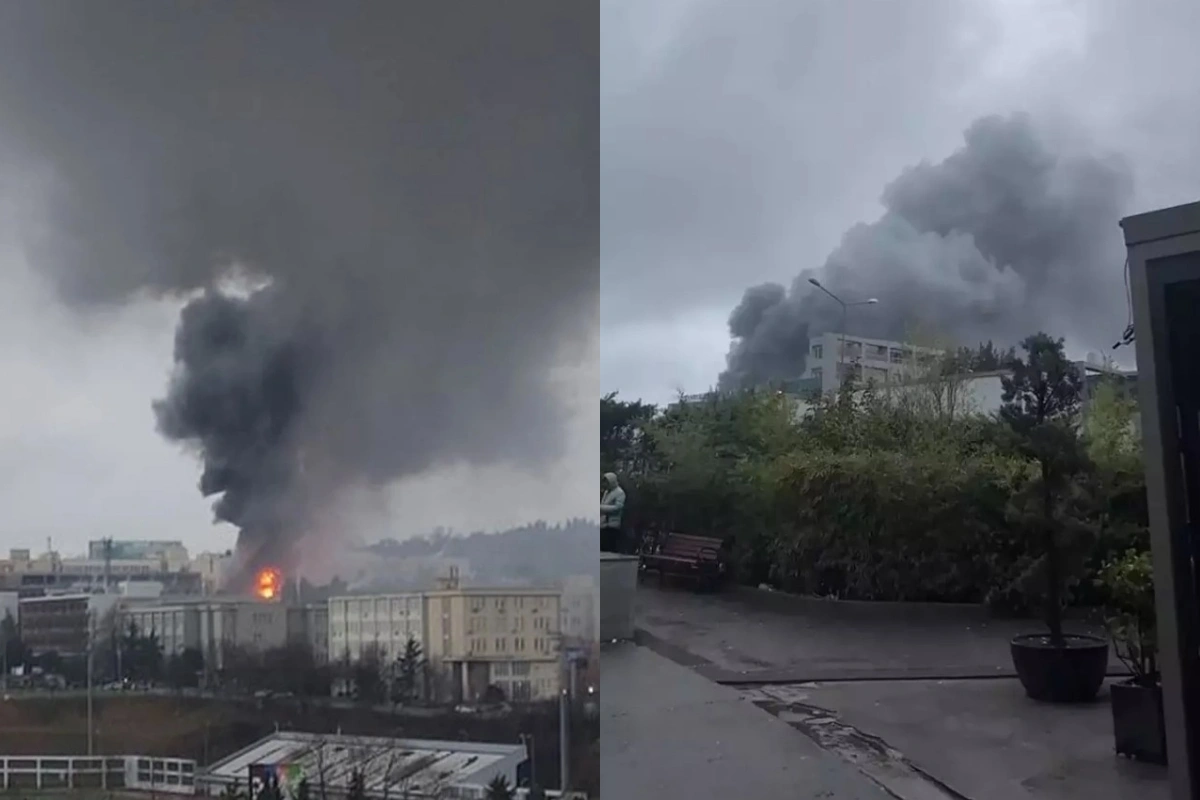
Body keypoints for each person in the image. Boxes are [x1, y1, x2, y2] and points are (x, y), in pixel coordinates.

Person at [600, 472, 626, 553]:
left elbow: (618, 507)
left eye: (606, 482)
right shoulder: (607, 492)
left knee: (609, 548)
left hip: (612, 525)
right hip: (603, 524)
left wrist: (601, 508)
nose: (605, 484)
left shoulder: (620, 493)